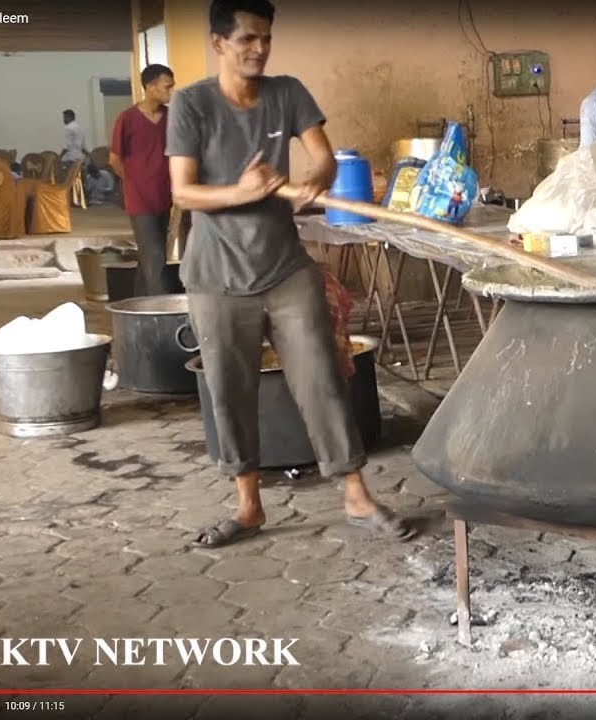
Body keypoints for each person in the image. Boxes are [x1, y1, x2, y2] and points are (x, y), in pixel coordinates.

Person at [168, 0, 414, 547]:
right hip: (217, 276)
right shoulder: (191, 105)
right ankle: (249, 505)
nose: (259, 48)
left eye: (266, 38)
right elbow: (182, 192)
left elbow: (322, 157)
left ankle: (355, 494)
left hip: (285, 268)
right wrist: (243, 192)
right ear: (218, 44)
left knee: (323, 376)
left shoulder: (288, 93)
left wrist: (314, 180)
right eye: (247, 39)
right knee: (230, 391)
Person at [110, 63, 177, 297]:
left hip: (165, 197)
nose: (170, 92)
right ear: (149, 87)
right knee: (155, 255)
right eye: (166, 87)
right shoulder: (126, 119)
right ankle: (162, 311)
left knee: (151, 255)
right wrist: (134, 183)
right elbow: (115, 159)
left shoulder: (171, 118)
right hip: (140, 201)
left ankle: (138, 303)